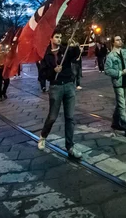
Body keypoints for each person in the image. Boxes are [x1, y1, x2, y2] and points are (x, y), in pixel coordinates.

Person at [37, 30, 82, 158]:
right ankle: (43, 136)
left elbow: (75, 56)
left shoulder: (65, 50)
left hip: (69, 85)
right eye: (57, 37)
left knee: (70, 117)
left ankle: (70, 146)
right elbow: (42, 75)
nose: (59, 39)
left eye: (60, 37)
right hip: (55, 86)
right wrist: (53, 71)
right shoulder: (46, 55)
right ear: (51, 38)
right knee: (52, 116)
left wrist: (75, 46)